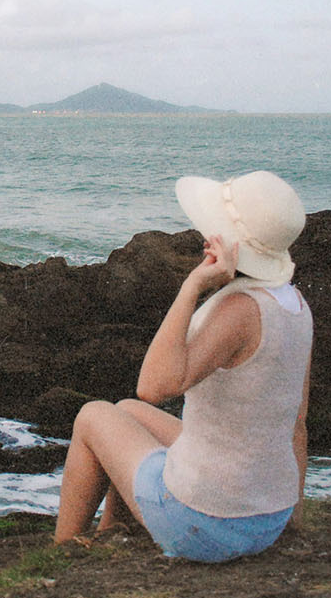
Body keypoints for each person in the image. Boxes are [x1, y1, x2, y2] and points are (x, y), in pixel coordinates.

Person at [54, 170, 312, 562]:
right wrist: (290, 515)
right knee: (126, 414)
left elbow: (154, 386)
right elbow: (297, 422)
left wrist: (193, 285)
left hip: (204, 525)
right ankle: (112, 533)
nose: (207, 236)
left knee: (93, 416)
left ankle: (64, 550)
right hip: (266, 521)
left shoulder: (237, 311)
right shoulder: (296, 306)